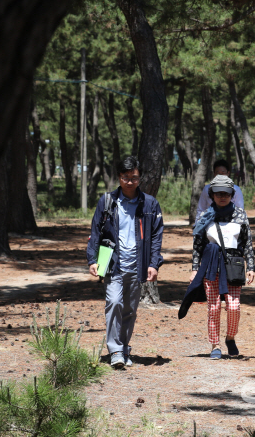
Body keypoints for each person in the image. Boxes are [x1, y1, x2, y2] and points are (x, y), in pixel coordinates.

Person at [87, 156, 164, 369]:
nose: (130, 181)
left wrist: (153, 263)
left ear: (139, 177)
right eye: (125, 177)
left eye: (134, 177)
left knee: (130, 308)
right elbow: (95, 231)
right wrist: (92, 259)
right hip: (113, 262)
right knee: (114, 303)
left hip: (138, 264)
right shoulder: (107, 201)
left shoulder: (149, 203)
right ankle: (115, 351)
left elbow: (157, 236)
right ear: (119, 177)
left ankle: (124, 347)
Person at [187, 175, 255, 359]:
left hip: (233, 266)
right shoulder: (205, 216)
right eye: (218, 193)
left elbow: (247, 242)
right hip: (211, 266)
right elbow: (198, 245)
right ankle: (215, 344)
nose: (222, 196)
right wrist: (195, 268)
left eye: (226, 193)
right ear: (212, 195)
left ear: (232, 194)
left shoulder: (240, 215)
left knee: (234, 307)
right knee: (214, 307)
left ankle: (230, 338)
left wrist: (251, 266)